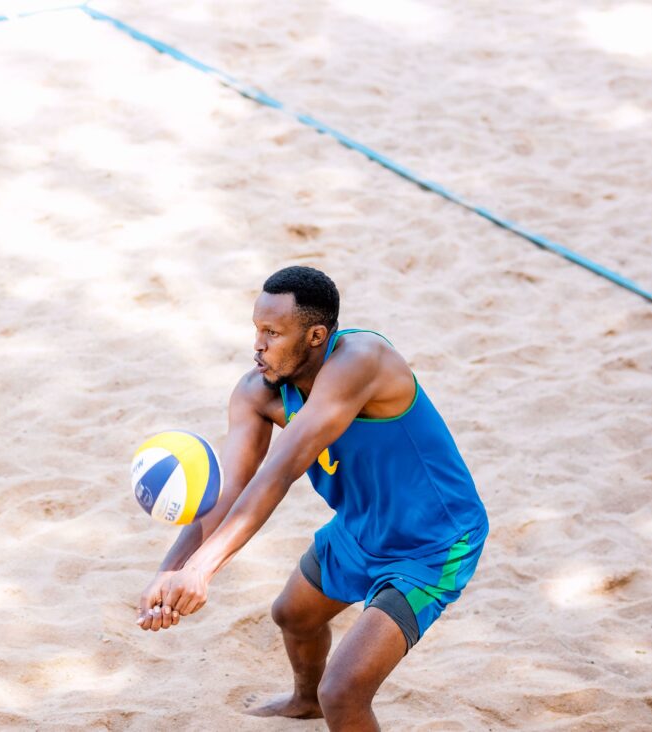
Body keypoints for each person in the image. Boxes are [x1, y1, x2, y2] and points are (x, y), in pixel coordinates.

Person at [135, 266, 488, 730]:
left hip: (434, 542)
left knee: (343, 692)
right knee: (293, 616)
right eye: (256, 329)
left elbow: (279, 473)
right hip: (361, 527)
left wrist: (202, 570)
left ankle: (324, 700)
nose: (257, 345)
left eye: (272, 333)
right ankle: (305, 702)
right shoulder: (256, 393)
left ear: (316, 335)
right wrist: (171, 571)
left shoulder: (363, 360)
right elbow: (229, 492)